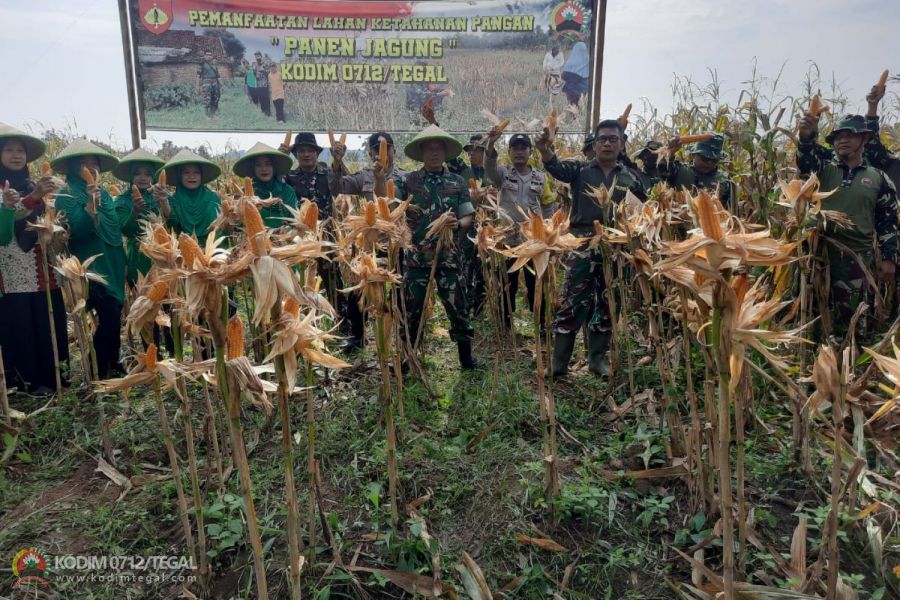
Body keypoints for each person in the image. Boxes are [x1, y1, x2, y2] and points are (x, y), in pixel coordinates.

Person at [536, 119, 647, 377]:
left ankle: (597, 361)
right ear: (595, 145)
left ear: (622, 144)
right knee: (572, 301)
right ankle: (559, 364)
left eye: (613, 139)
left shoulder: (630, 178)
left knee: (609, 303)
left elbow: (644, 212)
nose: (607, 143)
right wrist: (544, 150)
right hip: (582, 244)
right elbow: (555, 167)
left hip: (615, 246)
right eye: (602, 139)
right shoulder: (580, 170)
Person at [797, 113, 898, 342]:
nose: (843, 140)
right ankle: (814, 361)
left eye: (850, 135)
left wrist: (889, 258)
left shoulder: (878, 178)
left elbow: (887, 220)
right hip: (818, 253)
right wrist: (805, 137)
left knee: (851, 320)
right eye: (838, 137)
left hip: (857, 258)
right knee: (811, 312)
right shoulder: (822, 168)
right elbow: (805, 164)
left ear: (864, 139)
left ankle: (848, 362)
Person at [396, 125, 478, 369]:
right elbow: (388, 203)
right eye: (428, 149)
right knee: (411, 310)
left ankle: (466, 359)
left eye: (438, 148)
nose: (434, 153)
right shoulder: (408, 182)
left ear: (445, 152)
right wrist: (380, 179)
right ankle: (409, 358)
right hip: (416, 258)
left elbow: (468, 216)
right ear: (421, 153)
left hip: (449, 257)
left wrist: (456, 224)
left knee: (458, 307)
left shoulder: (457, 181)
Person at [281, 132, 364, 351]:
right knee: (301, 279)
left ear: (317, 154)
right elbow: (275, 188)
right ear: (295, 154)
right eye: (301, 151)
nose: (306, 154)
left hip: (327, 233)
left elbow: (343, 186)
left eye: (310, 151)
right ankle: (301, 321)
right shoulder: (289, 176)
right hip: (301, 235)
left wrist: (338, 161)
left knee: (332, 277)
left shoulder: (327, 172)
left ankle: (341, 319)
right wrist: (278, 161)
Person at [0, 123, 67, 394]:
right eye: (9, 150)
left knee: (46, 317)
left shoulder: (36, 185)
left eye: (21, 151)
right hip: (12, 269)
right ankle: (25, 381)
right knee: (21, 322)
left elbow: (53, 219)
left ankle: (55, 377)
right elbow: (5, 230)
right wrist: (30, 198)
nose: (16, 156)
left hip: (42, 265)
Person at [52, 139, 126, 379]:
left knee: (114, 313)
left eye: (94, 163)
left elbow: (113, 229)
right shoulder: (66, 194)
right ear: (73, 167)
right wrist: (90, 207)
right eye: (84, 163)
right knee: (108, 314)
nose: (90, 167)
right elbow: (78, 231)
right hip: (88, 266)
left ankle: (112, 361)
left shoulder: (103, 192)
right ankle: (98, 367)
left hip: (112, 261)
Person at [484, 132, 551, 330]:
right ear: (510, 152)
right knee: (507, 282)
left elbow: (547, 204)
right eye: (515, 148)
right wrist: (490, 145)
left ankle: (540, 322)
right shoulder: (503, 174)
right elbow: (489, 168)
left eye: (524, 148)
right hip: (508, 238)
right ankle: (505, 323)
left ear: (530, 152)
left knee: (535, 280)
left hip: (532, 238)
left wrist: (548, 227)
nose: (520, 152)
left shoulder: (540, 177)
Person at [113, 148, 166, 285]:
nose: (143, 178)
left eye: (148, 174)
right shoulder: (122, 200)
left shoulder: (162, 196)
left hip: (164, 254)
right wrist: (135, 212)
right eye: (137, 174)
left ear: (153, 177)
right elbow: (125, 229)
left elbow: (174, 223)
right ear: (131, 177)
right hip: (138, 255)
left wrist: (164, 202)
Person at [154, 149, 222, 246]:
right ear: (179, 176)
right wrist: (164, 202)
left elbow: (221, 229)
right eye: (186, 172)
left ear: (201, 176)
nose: (192, 176)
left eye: (196, 172)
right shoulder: (172, 200)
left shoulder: (214, 198)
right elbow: (173, 226)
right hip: (184, 251)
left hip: (213, 249)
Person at [231, 142, 297, 227]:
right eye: (258, 165)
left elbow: (295, 222)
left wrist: (287, 230)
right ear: (253, 169)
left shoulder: (287, 191)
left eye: (268, 164)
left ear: (274, 167)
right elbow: (238, 225)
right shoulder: (244, 194)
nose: (264, 169)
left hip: (283, 238)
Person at [661, 133, 736, 208]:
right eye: (705, 158)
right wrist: (669, 152)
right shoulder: (678, 171)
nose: (709, 163)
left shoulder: (725, 181)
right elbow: (661, 170)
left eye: (714, 160)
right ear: (693, 155)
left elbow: (731, 212)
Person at [330, 132, 408, 201]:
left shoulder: (405, 177)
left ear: (394, 152)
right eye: (378, 150)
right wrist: (337, 162)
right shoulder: (363, 176)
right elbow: (337, 190)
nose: (382, 153)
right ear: (371, 155)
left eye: (386, 149)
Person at [561, 41, 590, 114]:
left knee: (572, 106)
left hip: (572, 91)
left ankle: (573, 116)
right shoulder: (588, 61)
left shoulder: (571, 61)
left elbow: (563, 76)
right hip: (584, 91)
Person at [198, 50, 220, 118]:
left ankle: (213, 115)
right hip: (206, 82)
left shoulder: (214, 65)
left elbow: (218, 76)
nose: (209, 56)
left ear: (212, 56)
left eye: (210, 55)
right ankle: (207, 116)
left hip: (215, 83)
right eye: (207, 55)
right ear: (204, 56)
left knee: (215, 99)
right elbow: (198, 76)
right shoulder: (202, 64)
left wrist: (221, 85)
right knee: (207, 100)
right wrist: (198, 86)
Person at [253, 51, 272, 117]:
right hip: (258, 84)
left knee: (266, 99)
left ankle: (268, 113)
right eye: (256, 56)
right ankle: (263, 112)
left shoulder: (265, 63)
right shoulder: (255, 65)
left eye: (258, 56)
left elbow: (269, 73)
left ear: (261, 56)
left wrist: (264, 71)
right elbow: (254, 74)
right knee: (261, 99)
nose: (257, 57)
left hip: (265, 84)